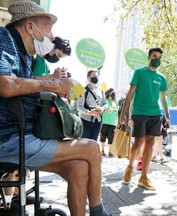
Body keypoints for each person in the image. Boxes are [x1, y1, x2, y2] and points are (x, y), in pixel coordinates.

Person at [0, 1, 110, 216]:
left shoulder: (23, 54)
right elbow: (5, 85)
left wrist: (53, 90)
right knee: (92, 148)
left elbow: (24, 85)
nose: (51, 36)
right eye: (48, 28)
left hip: (24, 135)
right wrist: (52, 85)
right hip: (9, 139)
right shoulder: (3, 40)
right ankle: (98, 211)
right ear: (30, 27)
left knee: (79, 167)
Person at [119, 47, 170, 190]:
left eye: (159, 57)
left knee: (150, 143)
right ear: (149, 57)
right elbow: (130, 93)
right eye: (154, 56)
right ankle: (129, 167)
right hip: (140, 112)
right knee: (138, 142)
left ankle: (144, 177)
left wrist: (167, 116)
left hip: (155, 114)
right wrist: (123, 114)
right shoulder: (140, 72)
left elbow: (163, 99)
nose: (157, 59)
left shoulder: (162, 78)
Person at [77, 70, 107, 141]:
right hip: (85, 120)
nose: (96, 78)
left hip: (97, 121)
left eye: (97, 76)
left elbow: (105, 103)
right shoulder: (83, 90)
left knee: (94, 142)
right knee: (84, 143)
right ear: (88, 78)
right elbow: (79, 107)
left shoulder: (101, 91)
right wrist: (89, 112)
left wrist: (102, 109)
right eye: (94, 76)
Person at [99, 88, 118, 156]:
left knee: (111, 137)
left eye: (113, 93)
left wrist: (116, 119)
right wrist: (107, 110)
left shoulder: (114, 102)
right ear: (108, 93)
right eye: (111, 92)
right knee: (102, 137)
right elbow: (101, 109)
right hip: (104, 121)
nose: (113, 94)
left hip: (112, 122)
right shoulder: (105, 101)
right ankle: (102, 151)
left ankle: (110, 152)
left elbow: (116, 112)